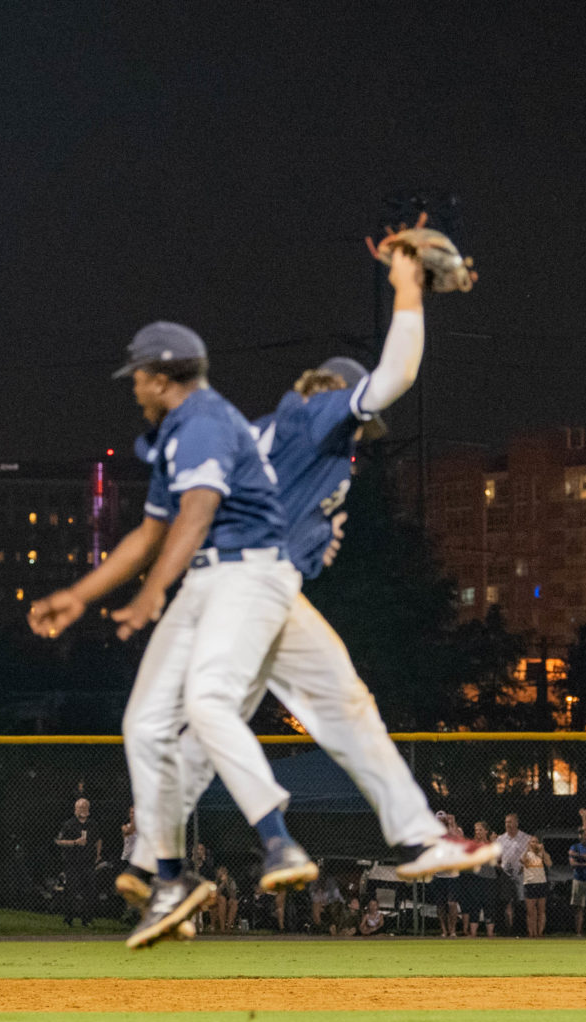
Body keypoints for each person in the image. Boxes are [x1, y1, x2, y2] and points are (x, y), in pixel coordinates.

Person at [99, 235, 497, 917]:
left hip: (246, 589)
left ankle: (153, 863)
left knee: (251, 718)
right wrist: (408, 289)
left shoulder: (259, 433)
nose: (363, 436)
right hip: (253, 586)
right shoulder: (314, 415)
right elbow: (393, 376)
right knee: (273, 707)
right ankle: (307, 839)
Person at [27, 320, 313, 948]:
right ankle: (171, 876)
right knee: (144, 725)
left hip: (246, 582)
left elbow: (198, 511)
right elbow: (149, 531)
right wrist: (79, 596)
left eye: (137, 377)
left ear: (160, 377)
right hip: (213, 585)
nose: (133, 388)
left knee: (207, 709)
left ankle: (278, 843)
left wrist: (153, 592)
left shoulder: (205, 420)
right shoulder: (174, 435)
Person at [54, 797, 99, 926]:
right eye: (80, 807)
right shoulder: (69, 824)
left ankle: (87, 920)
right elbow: (59, 841)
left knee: (89, 891)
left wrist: (98, 854)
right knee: (71, 890)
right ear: (75, 809)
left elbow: (98, 840)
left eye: (85, 807)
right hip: (73, 862)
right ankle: (68, 919)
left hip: (88, 862)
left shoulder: (92, 824)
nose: (82, 809)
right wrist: (74, 842)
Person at [495, 814, 531, 934]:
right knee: (505, 902)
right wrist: (500, 867)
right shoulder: (501, 839)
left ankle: (519, 930)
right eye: (506, 822)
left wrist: (525, 868)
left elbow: (531, 857)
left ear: (516, 823)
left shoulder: (525, 838)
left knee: (520, 902)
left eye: (510, 822)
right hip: (505, 874)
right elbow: (497, 857)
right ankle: (505, 930)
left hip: (521, 874)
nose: (508, 825)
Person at [464, 821, 501, 937]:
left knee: (489, 905)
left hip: (489, 879)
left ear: (486, 831)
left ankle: (490, 934)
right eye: (476, 830)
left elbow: (497, 859)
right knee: (475, 905)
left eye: (480, 830)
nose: (478, 832)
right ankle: (473, 934)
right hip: (476, 878)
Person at [567, 830, 586, 937]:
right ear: (580, 836)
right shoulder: (575, 847)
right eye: (583, 835)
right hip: (579, 879)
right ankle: (579, 933)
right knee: (579, 907)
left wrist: (579, 857)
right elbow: (572, 863)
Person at [521, 836, 550, 937]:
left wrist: (543, 851)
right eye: (532, 842)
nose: (534, 844)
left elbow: (549, 863)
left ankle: (540, 932)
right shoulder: (527, 854)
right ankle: (531, 932)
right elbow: (523, 861)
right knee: (531, 911)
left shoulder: (541, 854)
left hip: (541, 883)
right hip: (529, 883)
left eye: (536, 842)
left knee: (541, 910)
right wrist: (527, 849)